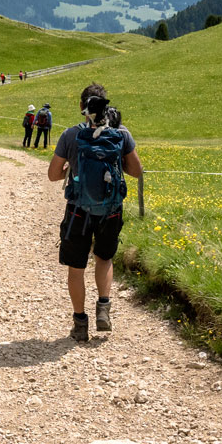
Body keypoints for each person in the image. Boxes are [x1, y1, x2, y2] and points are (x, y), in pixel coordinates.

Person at [47, 83, 141, 340]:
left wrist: (71, 169)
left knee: (76, 268)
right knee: (104, 258)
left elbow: (53, 175)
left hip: (78, 210)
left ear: (81, 107)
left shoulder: (70, 135)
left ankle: (80, 323)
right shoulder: (122, 134)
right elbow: (137, 171)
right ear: (106, 106)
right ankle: (103, 307)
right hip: (111, 210)